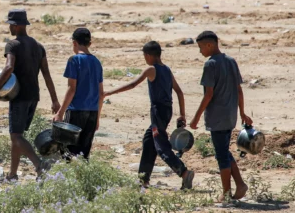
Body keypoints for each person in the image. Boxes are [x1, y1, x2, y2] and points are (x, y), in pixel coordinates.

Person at [104, 41, 194, 189]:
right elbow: (179, 92)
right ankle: (143, 179)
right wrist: (182, 115)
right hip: (167, 111)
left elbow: (132, 84)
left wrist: (109, 92)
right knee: (149, 140)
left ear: (148, 55)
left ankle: (184, 172)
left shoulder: (151, 69)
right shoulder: (167, 69)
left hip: (158, 111)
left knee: (161, 146)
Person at [0, 9, 60, 181]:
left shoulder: (12, 45)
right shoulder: (38, 47)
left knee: (16, 136)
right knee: (17, 135)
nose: (10, 28)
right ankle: (12, 175)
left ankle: (40, 166)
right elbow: (46, 74)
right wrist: (54, 100)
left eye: (11, 25)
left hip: (19, 96)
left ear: (17, 26)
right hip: (33, 96)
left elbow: (8, 68)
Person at [190, 31, 253, 201]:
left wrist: (196, 117)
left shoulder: (210, 65)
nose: (200, 51)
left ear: (210, 45)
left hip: (217, 117)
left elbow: (208, 94)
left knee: (221, 155)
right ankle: (240, 184)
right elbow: (239, 90)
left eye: (201, 47)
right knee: (224, 151)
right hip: (230, 116)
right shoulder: (231, 61)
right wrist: (242, 112)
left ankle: (226, 193)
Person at [53, 28, 103, 160]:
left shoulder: (74, 60)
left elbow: (71, 89)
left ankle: (68, 179)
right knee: (83, 154)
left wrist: (60, 113)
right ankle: (82, 179)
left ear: (74, 43)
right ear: (89, 44)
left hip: (76, 111)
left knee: (68, 152)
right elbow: (101, 93)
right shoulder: (97, 62)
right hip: (92, 112)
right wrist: (97, 117)